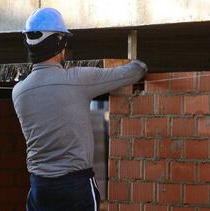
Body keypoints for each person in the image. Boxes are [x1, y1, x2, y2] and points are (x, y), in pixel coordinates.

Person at [12, 8, 148, 211]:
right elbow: (134, 72)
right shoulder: (77, 80)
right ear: (60, 42)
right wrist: (141, 63)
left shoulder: (18, 91)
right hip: (75, 187)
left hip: (39, 188)